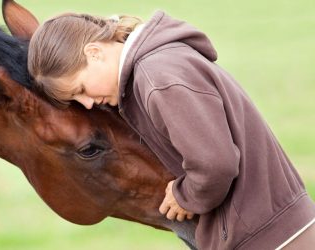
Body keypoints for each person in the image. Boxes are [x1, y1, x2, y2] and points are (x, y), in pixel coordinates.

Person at [27, 11, 315, 249]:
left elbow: (216, 165)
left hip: (269, 239)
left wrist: (184, 195)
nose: (87, 103)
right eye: (76, 101)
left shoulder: (157, 78)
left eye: (80, 89)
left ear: (94, 53)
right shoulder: (159, 66)